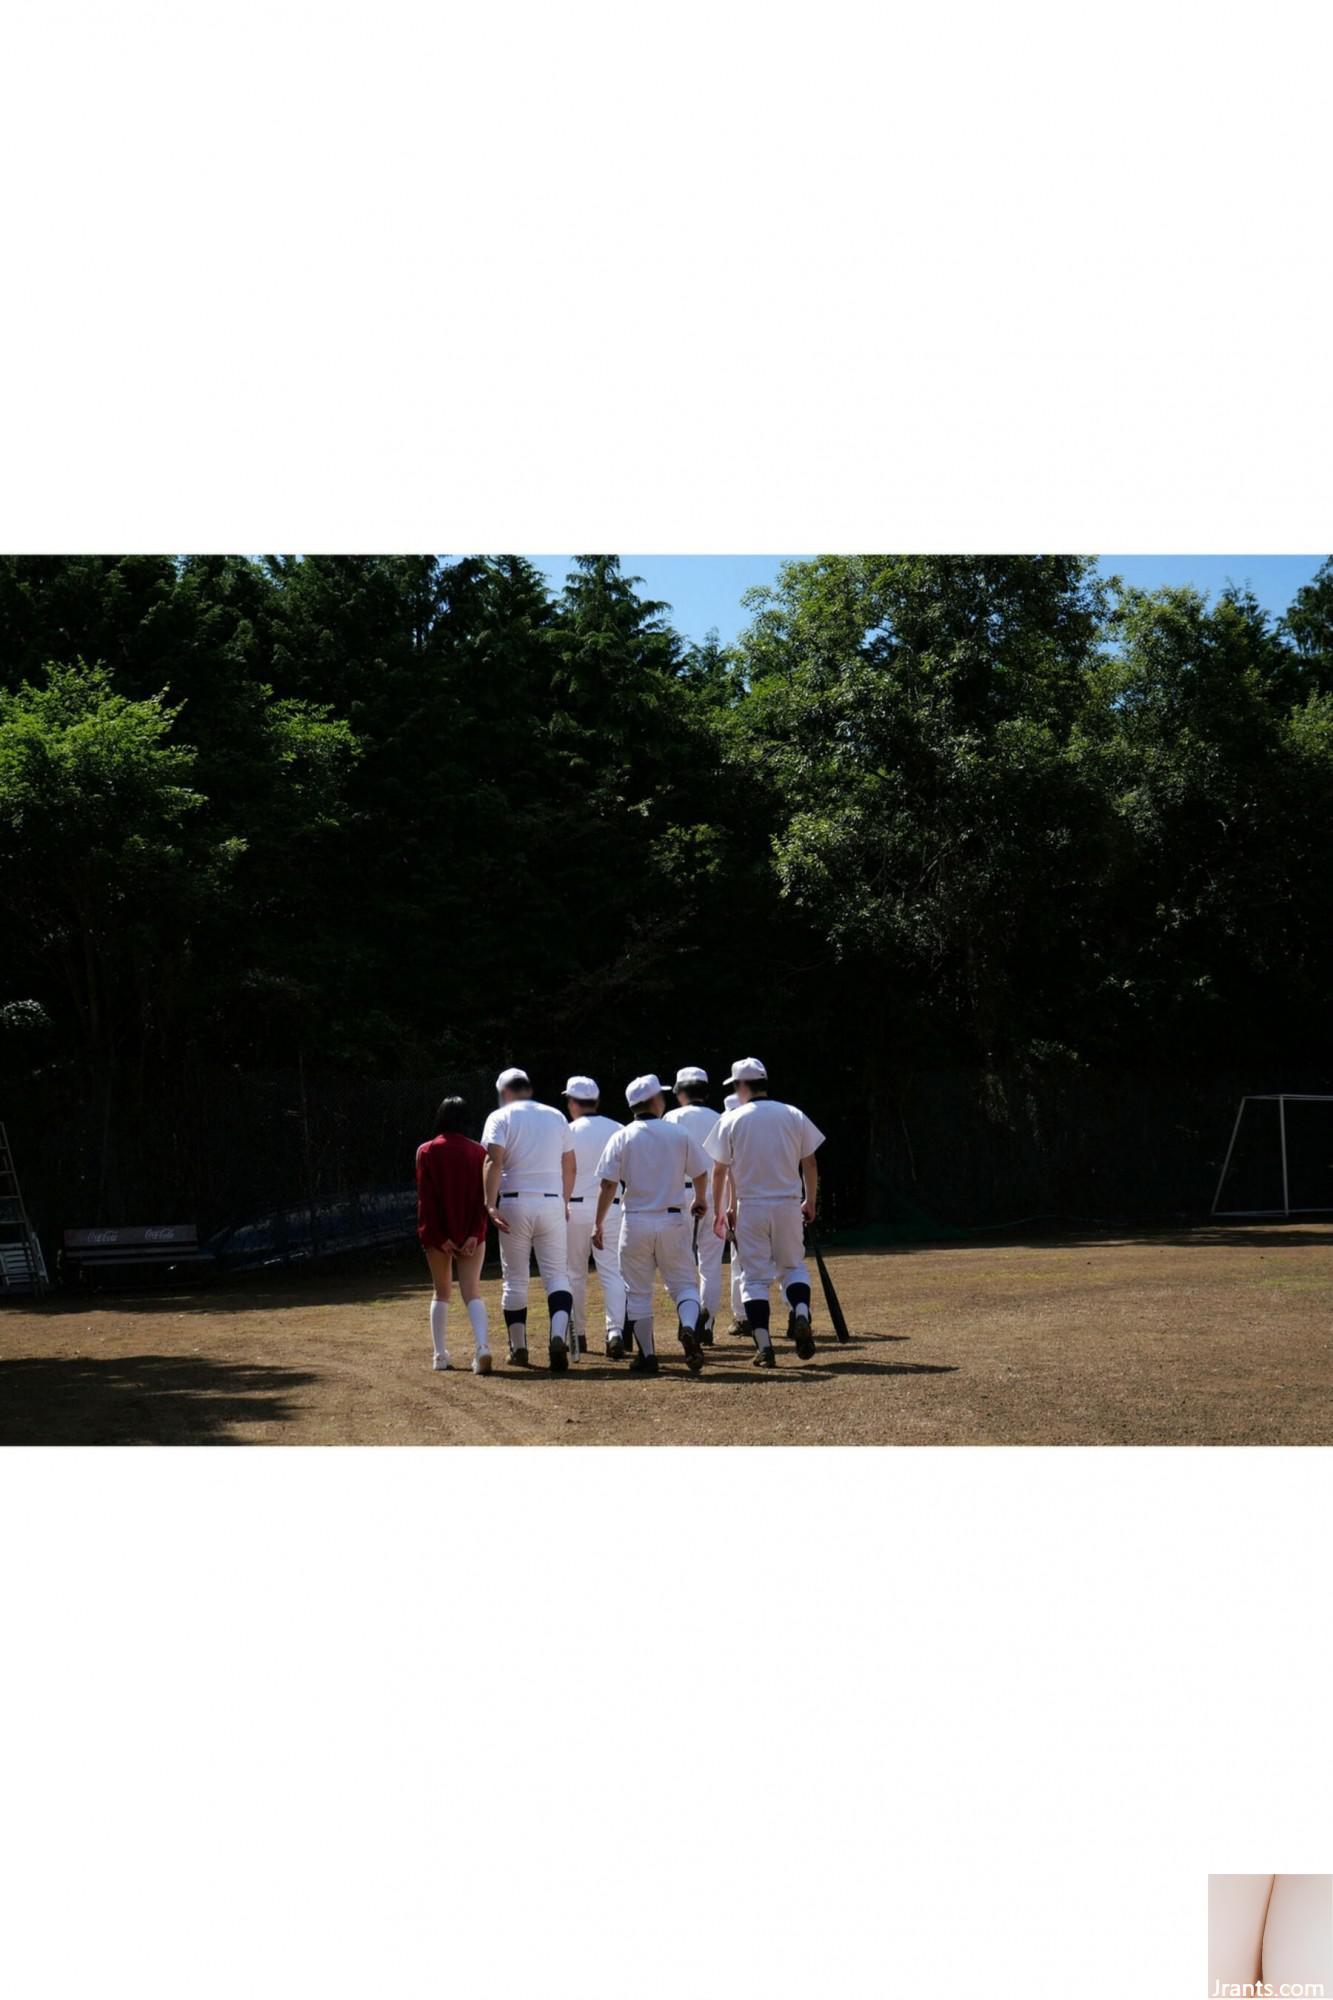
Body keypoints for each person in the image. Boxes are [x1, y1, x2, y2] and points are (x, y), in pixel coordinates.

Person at [706, 1056, 825, 1367]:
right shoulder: (793, 1114)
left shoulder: (732, 1119)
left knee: (754, 1279)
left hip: (750, 1207)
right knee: (794, 1268)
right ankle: (800, 1312)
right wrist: (810, 1200)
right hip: (787, 1202)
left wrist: (721, 1209)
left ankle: (764, 1346)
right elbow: (809, 1162)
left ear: (742, 1086)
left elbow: (719, 1170)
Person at [591, 1074, 711, 1376]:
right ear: (656, 1101)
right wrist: (700, 1199)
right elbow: (700, 1172)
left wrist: (598, 1223)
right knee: (684, 1286)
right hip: (672, 1219)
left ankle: (647, 1355)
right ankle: (687, 1326)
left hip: (635, 1221)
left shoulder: (622, 1136)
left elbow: (608, 1185)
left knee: (638, 1292)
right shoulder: (678, 1133)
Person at [482, 1067, 577, 1371]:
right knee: (557, 1276)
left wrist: (490, 1204)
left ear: (504, 1092)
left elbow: (492, 1161)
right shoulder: (556, 1116)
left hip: (514, 1201)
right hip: (551, 1201)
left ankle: (519, 1348)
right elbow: (570, 1165)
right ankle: (557, 1336)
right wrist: (564, 1199)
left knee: (515, 1279)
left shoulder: (500, 1118)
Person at [414, 1096, 491, 1373]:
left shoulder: (426, 1151)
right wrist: (473, 1233)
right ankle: (482, 1346)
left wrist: (437, 1235)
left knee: (441, 1291)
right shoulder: (479, 1152)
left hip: (438, 1235)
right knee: (472, 1291)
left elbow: (426, 1199)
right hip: (472, 1231)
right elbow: (482, 1198)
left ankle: (439, 1355)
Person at [562, 1074, 627, 1357]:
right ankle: (615, 1332)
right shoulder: (618, 1128)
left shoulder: (566, 1131)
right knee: (612, 1271)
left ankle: (578, 1335)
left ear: (573, 1103)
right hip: (610, 1205)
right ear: (596, 1101)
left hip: (573, 1207)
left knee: (574, 1274)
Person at [663, 1065, 724, 1343]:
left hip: (679, 1193)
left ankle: (687, 1318)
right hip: (713, 1191)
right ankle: (706, 1325)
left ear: (680, 1092)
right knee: (710, 1264)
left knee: (680, 1262)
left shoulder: (671, 1118)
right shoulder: (720, 1118)